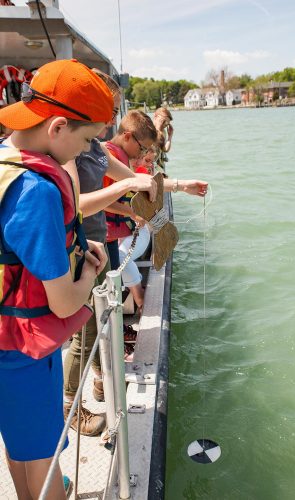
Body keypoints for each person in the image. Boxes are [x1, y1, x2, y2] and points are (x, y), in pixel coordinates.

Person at [0, 59, 113, 499]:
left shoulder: (6, 162)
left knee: (20, 447)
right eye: (86, 140)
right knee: (46, 463)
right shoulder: (39, 191)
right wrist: (89, 271)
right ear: (58, 126)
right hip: (23, 353)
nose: (85, 152)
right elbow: (65, 303)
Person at [62, 73, 157, 436]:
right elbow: (74, 204)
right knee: (84, 330)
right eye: (108, 110)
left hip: (96, 248)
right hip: (81, 250)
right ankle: (71, 403)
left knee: (99, 321)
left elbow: (127, 183)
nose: (110, 119)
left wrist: (178, 186)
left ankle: (100, 381)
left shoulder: (96, 147)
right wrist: (130, 192)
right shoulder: (70, 152)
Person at [103, 110, 158, 312]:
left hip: (113, 234)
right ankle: (139, 301)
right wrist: (132, 213)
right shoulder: (111, 157)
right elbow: (103, 199)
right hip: (105, 236)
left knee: (115, 272)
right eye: (142, 148)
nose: (142, 155)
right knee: (113, 271)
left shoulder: (119, 158)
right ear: (127, 136)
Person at [153, 107, 173, 171]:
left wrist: (170, 136)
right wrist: (158, 129)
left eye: (167, 124)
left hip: (159, 165)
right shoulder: (148, 130)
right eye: (163, 121)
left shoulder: (163, 131)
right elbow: (154, 151)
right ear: (155, 117)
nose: (164, 125)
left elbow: (165, 149)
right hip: (151, 164)